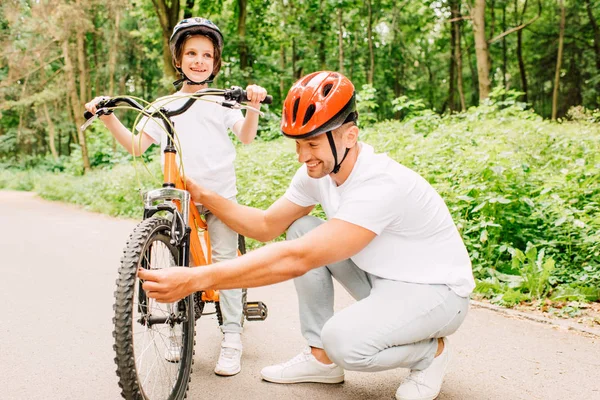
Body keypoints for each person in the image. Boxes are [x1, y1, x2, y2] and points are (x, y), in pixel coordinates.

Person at [138, 71, 475, 400]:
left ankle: (430, 353)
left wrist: (195, 278)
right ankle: (320, 360)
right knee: (300, 227)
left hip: (437, 294)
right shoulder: (319, 172)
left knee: (344, 342)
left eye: (312, 143)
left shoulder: (379, 184)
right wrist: (205, 195)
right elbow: (267, 225)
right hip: (383, 279)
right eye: (298, 145)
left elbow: (298, 259)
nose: (303, 157)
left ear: (349, 135)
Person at [85, 17, 268, 377]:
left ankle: (232, 337)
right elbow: (137, 146)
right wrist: (108, 118)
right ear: (179, 60)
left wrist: (252, 104)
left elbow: (246, 137)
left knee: (224, 262)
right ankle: (176, 328)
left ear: (215, 63)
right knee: (174, 263)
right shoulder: (165, 104)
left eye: (206, 55)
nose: (199, 60)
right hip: (179, 198)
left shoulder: (221, 100)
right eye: (191, 54)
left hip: (218, 197)